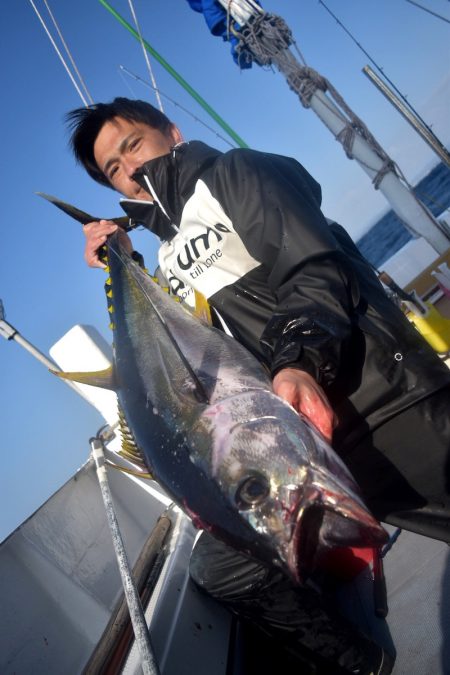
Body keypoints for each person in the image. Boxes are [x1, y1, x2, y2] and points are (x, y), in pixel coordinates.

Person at [67, 97, 450, 672]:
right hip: (300, 450)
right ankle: (364, 658)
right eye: (114, 171)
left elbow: (314, 270)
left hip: (381, 403)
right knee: (221, 569)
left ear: (171, 132)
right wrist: (125, 259)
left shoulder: (234, 173)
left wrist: (299, 360)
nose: (131, 170)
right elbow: (197, 359)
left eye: (132, 145)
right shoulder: (167, 255)